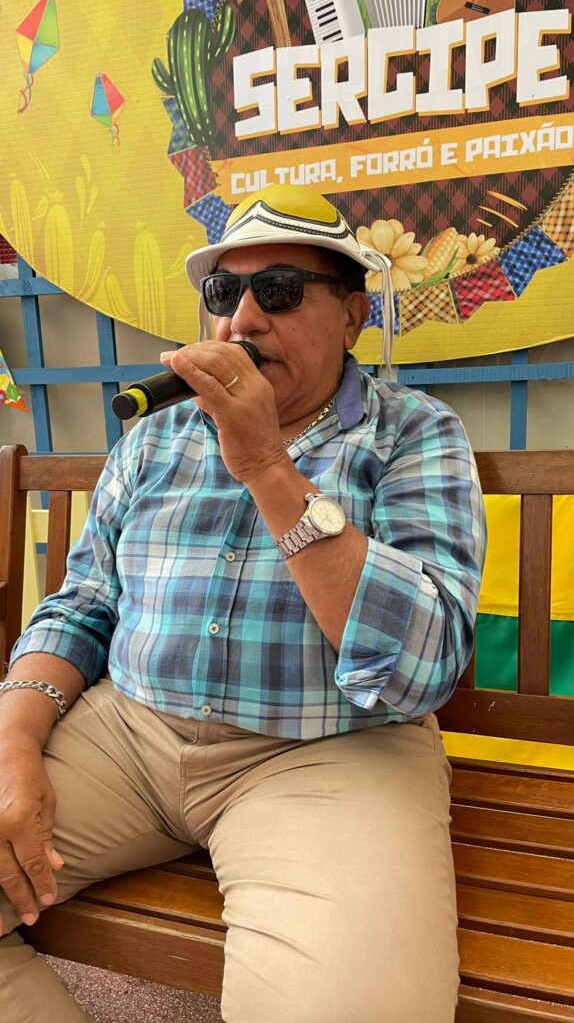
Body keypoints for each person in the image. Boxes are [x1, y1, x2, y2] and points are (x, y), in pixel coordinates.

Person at [0, 184, 486, 1023]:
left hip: (330, 752)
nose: (244, 320)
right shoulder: (154, 437)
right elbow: (82, 605)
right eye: (225, 293)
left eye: (281, 291)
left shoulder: (414, 432)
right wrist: (12, 739)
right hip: (128, 733)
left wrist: (266, 465)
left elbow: (423, 668)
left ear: (352, 316)